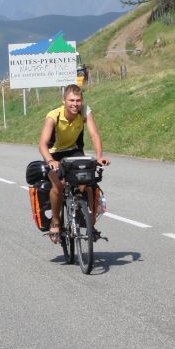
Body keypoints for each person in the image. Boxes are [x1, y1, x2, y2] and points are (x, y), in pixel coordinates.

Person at [38, 84, 110, 243]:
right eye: (71, 100)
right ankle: (56, 221)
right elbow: (42, 143)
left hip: (73, 151)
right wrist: (50, 160)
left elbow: (94, 134)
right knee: (58, 185)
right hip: (54, 153)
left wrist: (99, 156)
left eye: (78, 100)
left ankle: (89, 223)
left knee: (86, 183)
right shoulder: (53, 116)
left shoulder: (85, 111)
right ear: (63, 100)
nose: (75, 104)